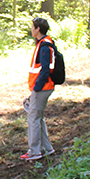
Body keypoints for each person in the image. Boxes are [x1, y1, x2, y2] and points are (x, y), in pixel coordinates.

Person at [22, 17, 57, 161]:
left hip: (43, 88)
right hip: (43, 87)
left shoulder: (44, 46)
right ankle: (47, 149)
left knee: (33, 118)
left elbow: (45, 70)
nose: (31, 29)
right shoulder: (43, 43)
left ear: (38, 29)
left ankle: (35, 151)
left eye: (32, 27)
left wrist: (36, 88)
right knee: (37, 118)